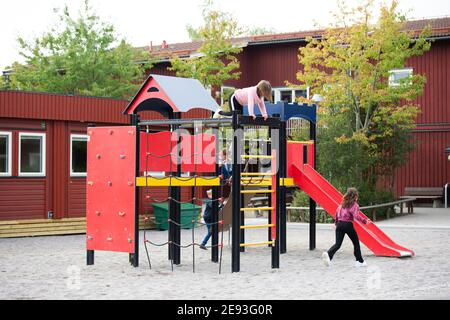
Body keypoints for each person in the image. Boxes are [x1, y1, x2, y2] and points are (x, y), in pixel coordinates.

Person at [322, 188, 369, 267]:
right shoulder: (354, 205)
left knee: (338, 244)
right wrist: (365, 221)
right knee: (356, 243)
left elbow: (337, 214)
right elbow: (356, 216)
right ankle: (359, 261)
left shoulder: (342, 204)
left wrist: (336, 223)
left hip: (339, 224)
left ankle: (328, 255)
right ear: (355, 196)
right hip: (347, 225)